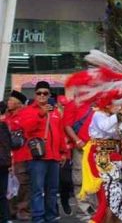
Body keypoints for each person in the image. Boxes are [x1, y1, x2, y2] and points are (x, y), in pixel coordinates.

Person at [83, 102, 122, 223]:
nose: (119, 105)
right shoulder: (98, 115)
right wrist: (120, 114)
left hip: (117, 159)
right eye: (116, 103)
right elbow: (105, 126)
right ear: (107, 103)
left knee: (119, 199)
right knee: (108, 200)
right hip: (102, 159)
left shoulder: (117, 116)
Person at [15, 81, 67, 223]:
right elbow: (27, 128)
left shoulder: (56, 111)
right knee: (37, 189)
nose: (42, 95)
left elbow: (60, 133)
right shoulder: (27, 110)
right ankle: (38, 218)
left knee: (52, 190)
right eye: (39, 93)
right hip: (36, 157)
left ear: (49, 94)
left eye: (45, 93)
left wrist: (64, 153)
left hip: (54, 157)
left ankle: (51, 217)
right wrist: (41, 114)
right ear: (35, 94)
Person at [63, 95, 94, 220]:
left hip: (96, 148)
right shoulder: (73, 104)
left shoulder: (97, 103)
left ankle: (95, 208)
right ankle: (83, 210)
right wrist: (77, 141)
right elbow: (67, 125)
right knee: (80, 179)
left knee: (96, 179)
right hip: (81, 148)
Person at [5, 90, 31, 221]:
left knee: (22, 183)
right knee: (9, 184)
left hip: (21, 154)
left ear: (18, 103)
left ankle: (23, 209)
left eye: (11, 100)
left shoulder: (24, 115)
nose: (8, 102)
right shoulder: (6, 116)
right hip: (6, 155)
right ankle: (11, 210)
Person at [0, 101, 12, 223]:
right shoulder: (4, 125)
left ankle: (5, 217)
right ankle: (5, 217)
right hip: (4, 163)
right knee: (2, 193)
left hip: (3, 163)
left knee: (2, 193)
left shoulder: (4, 125)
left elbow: (8, 144)